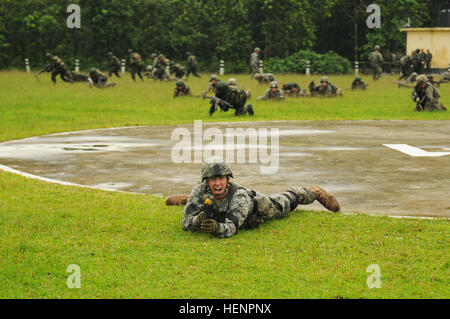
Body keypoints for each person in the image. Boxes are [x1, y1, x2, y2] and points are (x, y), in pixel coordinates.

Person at [172, 159, 341, 238]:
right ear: (207, 181)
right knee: (199, 203)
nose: (217, 183)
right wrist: (198, 219)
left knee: (284, 203)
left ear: (227, 179)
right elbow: (184, 222)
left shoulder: (239, 197)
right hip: (216, 207)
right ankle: (187, 199)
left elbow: (231, 228)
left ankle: (312, 191)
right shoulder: (200, 191)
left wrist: (216, 228)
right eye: (213, 179)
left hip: (256, 207)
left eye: (220, 179)